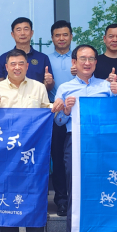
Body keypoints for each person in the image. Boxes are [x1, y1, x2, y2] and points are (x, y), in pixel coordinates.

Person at [0, 49, 56, 232]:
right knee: (6, 202)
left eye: (21, 63)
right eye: (13, 64)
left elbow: (46, 113)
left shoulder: (39, 87)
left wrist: (56, 108)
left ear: (27, 65)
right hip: (5, 158)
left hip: (33, 156)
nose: (17, 67)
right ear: (6, 67)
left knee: (34, 201)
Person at [53, 45, 117, 232]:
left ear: (96, 63)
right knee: (76, 194)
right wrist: (66, 111)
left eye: (91, 59)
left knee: (102, 193)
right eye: (83, 58)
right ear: (74, 62)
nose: (87, 62)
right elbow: (58, 122)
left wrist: (116, 93)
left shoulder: (106, 86)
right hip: (76, 142)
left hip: (102, 144)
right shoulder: (65, 88)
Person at [48, 21, 74, 216]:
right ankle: (61, 200)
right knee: (57, 158)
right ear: (52, 38)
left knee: (75, 159)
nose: (62, 38)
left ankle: (76, 198)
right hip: (55, 114)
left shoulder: (80, 58)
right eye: (57, 35)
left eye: (65, 34)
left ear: (71, 36)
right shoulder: (46, 59)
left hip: (78, 116)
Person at [0, 17, 54, 92]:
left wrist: (49, 82)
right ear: (12, 34)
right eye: (18, 30)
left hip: (36, 98)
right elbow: (0, 83)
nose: (22, 33)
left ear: (31, 33)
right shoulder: (4, 58)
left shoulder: (43, 58)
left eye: (26, 29)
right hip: (11, 98)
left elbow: (48, 87)